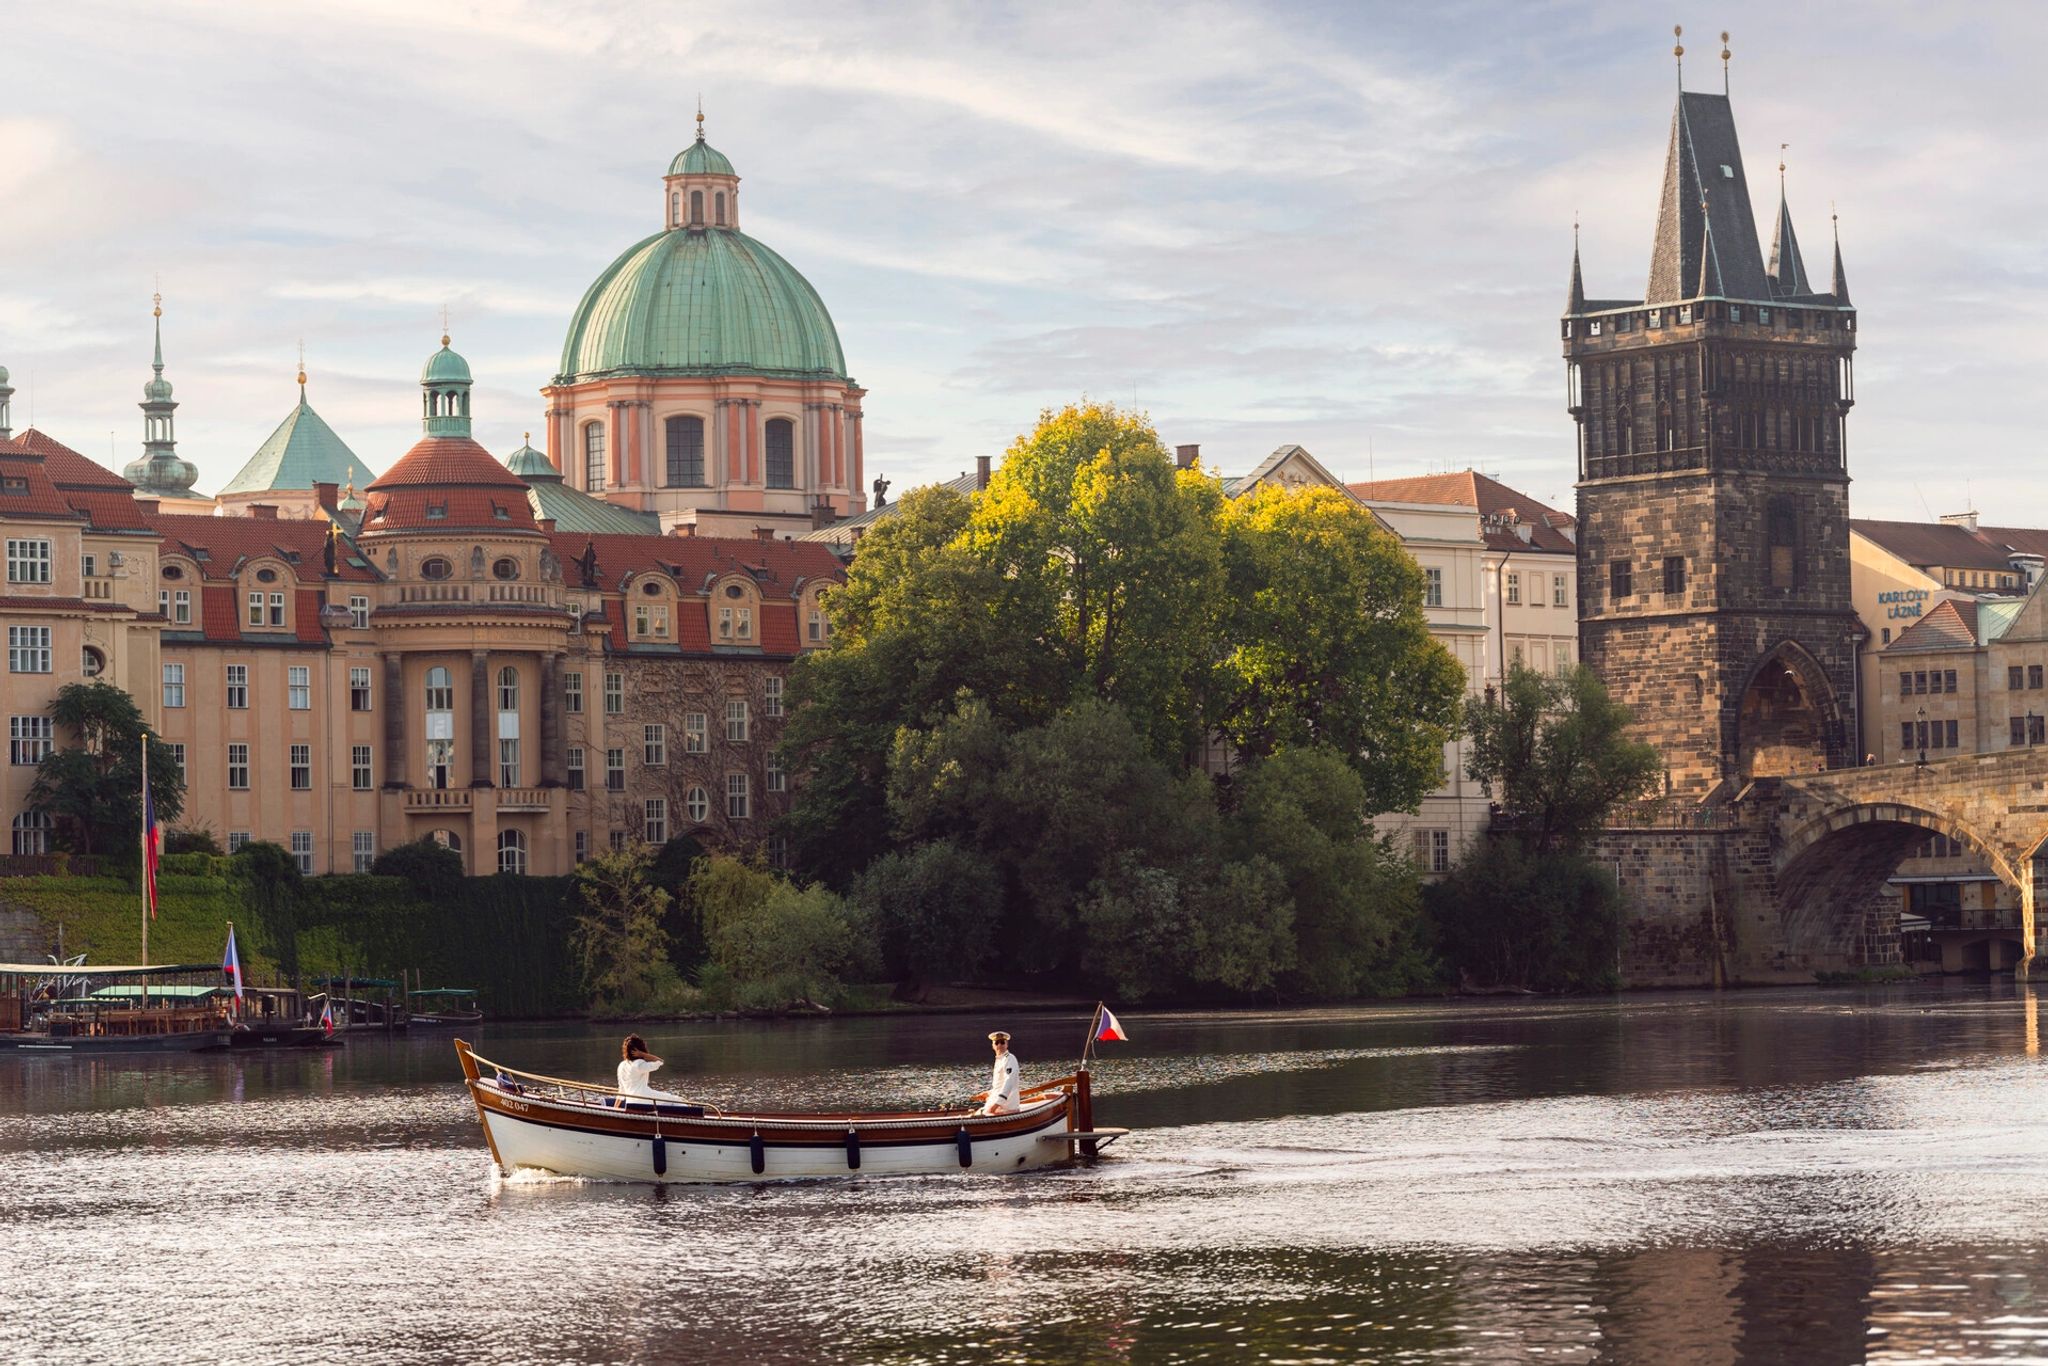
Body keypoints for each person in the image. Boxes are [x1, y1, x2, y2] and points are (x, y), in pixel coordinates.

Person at [979, 1030, 1021, 1115]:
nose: (999, 1045)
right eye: (997, 1042)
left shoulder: (1009, 1058)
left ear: (1007, 1044)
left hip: (1007, 1108)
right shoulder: (999, 1060)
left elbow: (1009, 1082)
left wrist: (996, 1105)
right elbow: (999, 1085)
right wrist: (989, 1093)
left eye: (1002, 1042)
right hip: (997, 1104)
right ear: (993, 1046)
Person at [617, 1034, 665, 1100]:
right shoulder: (640, 1064)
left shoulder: (622, 1065)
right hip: (643, 1098)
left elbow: (622, 1090)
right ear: (641, 1049)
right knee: (676, 1099)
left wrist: (615, 1108)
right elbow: (660, 1061)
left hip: (630, 1099)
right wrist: (643, 1054)